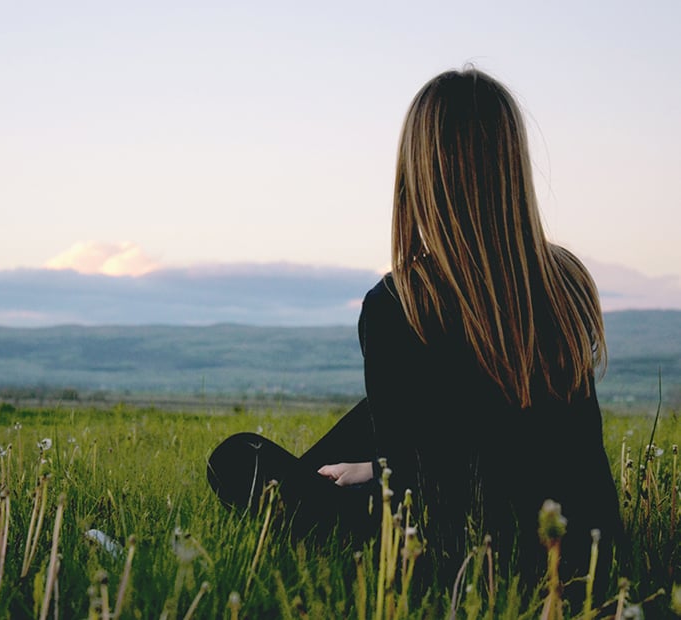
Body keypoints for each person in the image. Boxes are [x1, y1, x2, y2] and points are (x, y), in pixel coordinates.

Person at [206, 67, 622, 597]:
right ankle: (338, 477)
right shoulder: (566, 279)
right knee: (370, 420)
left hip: (453, 559)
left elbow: (420, 494)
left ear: (420, 171)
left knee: (237, 458)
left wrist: (383, 470)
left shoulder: (401, 303)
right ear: (512, 164)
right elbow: (522, 438)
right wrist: (379, 463)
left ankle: (299, 506)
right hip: (585, 552)